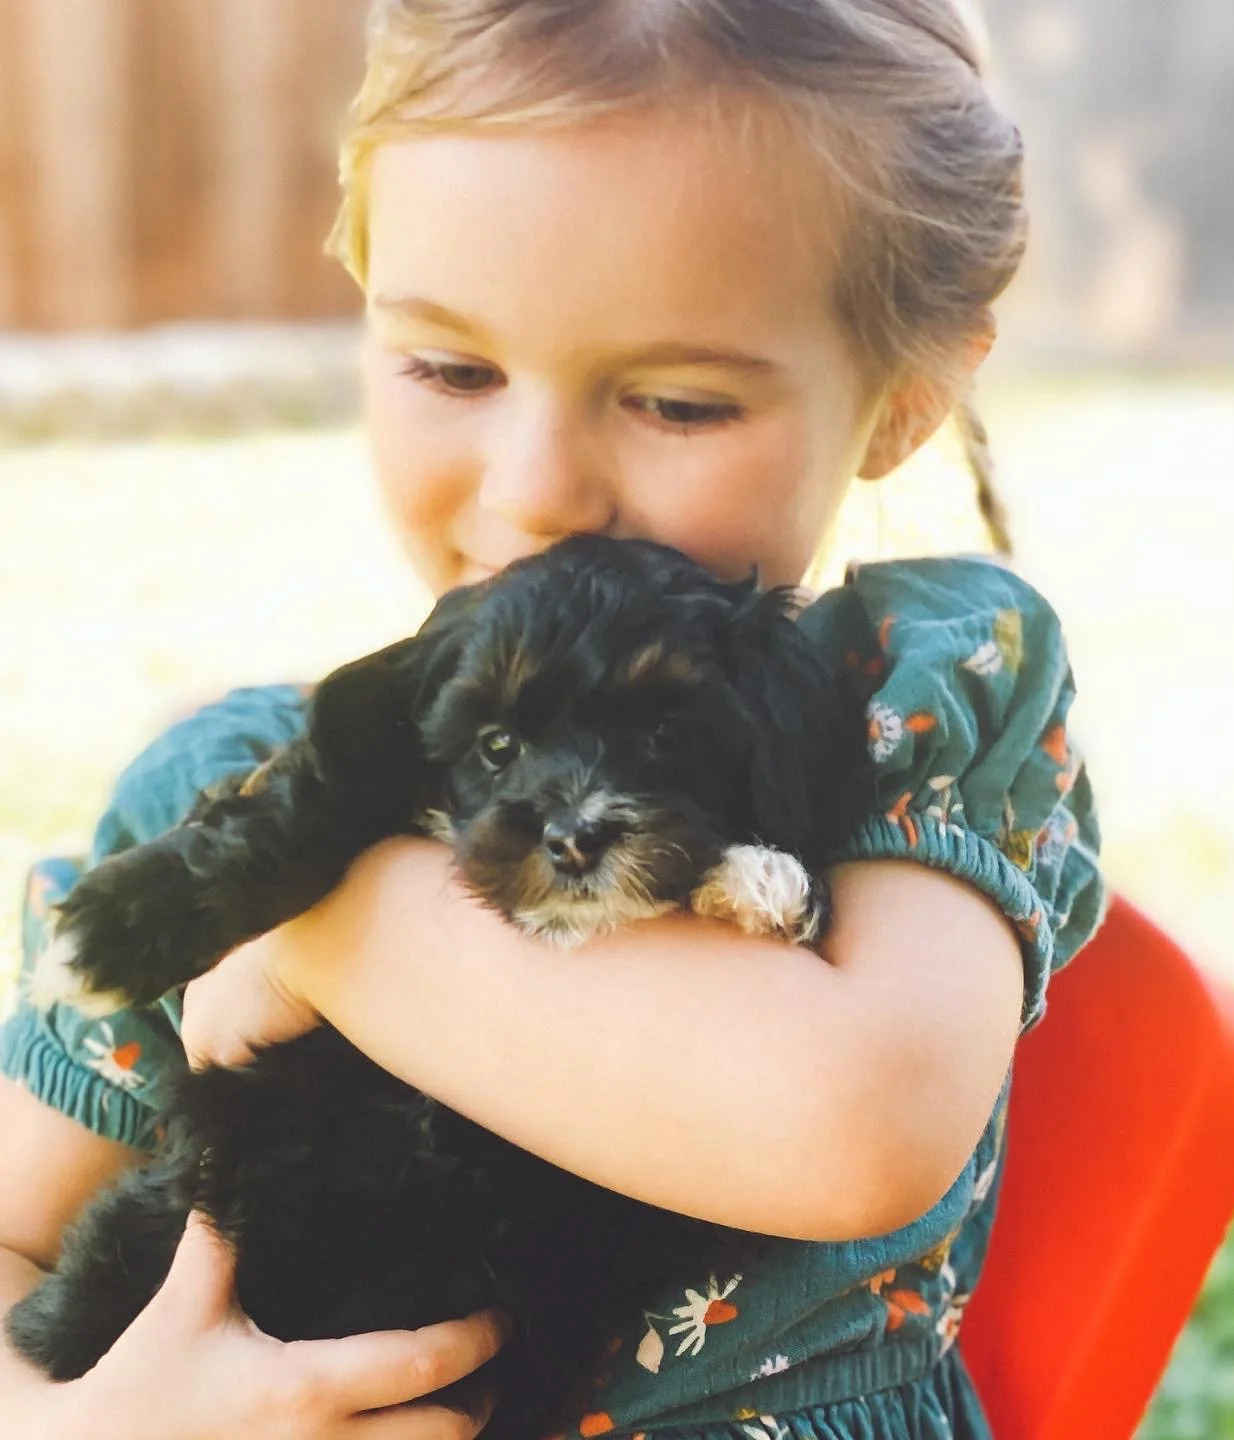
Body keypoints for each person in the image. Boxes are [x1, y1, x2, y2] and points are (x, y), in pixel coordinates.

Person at [0, 2, 1105, 1436]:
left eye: (675, 399)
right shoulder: (224, 774)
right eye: (454, 370)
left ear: (903, 399)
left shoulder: (923, 680)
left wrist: (310, 910)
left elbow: (855, 1129)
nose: (533, 490)